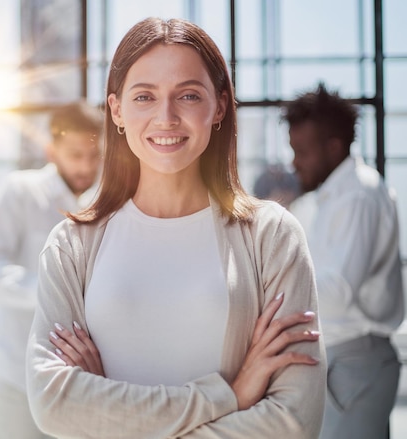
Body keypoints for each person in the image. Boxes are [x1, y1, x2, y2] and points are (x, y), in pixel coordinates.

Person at [26, 17, 326, 438]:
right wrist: (229, 396)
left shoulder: (271, 236)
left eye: (187, 95)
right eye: (145, 96)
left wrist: (111, 413)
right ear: (117, 110)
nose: (166, 117)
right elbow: (54, 404)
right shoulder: (72, 244)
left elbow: (293, 421)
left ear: (219, 106)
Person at [0, 101, 103, 439]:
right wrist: (51, 294)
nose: (86, 166)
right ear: (51, 149)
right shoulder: (21, 192)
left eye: (94, 155)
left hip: (87, 381)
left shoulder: (107, 201)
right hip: (19, 376)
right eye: (75, 155)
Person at [283, 83, 405, 439]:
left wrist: (271, 287)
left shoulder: (358, 196)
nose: (294, 162)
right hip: (342, 360)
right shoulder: (331, 198)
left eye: (302, 151)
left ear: (333, 147)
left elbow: (337, 292)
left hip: (353, 361)